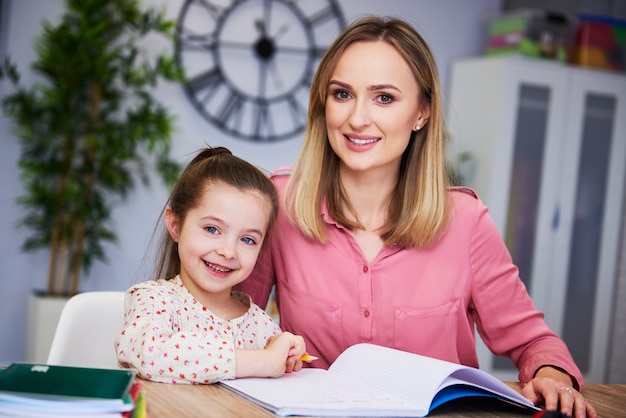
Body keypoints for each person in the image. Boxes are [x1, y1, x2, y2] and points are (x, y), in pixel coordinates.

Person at [236, 16, 597, 418]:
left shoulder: (466, 221)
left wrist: (554, 376)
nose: (357, 118)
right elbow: (227, 320)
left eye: (384, 98)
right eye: (342, 94)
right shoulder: (281, 202)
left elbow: (534, 343)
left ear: (422, 112)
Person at [116, 147, 308, 384]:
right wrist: (265, 361)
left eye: (248, 240)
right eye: (212, 229)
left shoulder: (260, 325)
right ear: (175, 225)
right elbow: (150, 355)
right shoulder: (154, 300)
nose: (228, 251)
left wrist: (287, 354)